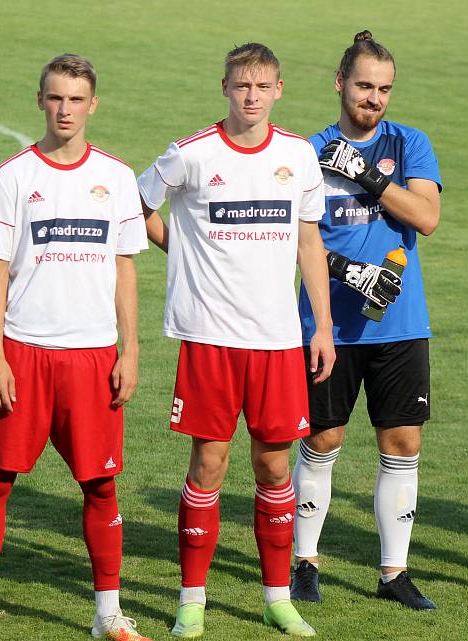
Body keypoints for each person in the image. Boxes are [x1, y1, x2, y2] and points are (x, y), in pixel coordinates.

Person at [137, 43, 335, 638]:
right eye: (241, 85)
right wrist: (182, 256)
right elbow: (138, 206)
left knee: (275, 469)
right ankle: (191, 599)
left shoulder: (299, 156)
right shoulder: (191, 155)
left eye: (262, 86)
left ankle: (277, 598)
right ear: (225, 87)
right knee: (209, 463)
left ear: (279, 90)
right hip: (209, 339)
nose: (251, 96)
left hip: (277, 340)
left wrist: (321, 326)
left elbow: (308, 245)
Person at [0, 54, 150, 641]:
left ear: (93, 104)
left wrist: (131, 350)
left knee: (101, 484)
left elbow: (125, 270)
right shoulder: (13, 175)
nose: (65, 109)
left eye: (76, 99)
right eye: (55, 98)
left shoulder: (117, 177)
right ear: (40, 101)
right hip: (23, 351)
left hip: (93, 356)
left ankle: (107, 615)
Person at [290, 31, 442, 610]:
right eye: (363, 86)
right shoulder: (306, 153)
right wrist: (345, 270)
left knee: (402, 442)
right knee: (323, 439)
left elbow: (426, 217)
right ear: (339, 83)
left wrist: (369, 177)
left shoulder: (409, 144)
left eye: (383, 89)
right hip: (329, 324)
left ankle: (393, 573)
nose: (374, 99)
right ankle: (305, 562)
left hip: (401, 326)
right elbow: (289, 240)